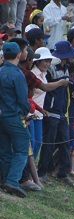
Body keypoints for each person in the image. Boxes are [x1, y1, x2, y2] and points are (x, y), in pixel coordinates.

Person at [37, 40, 74, 187]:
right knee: (49, 142)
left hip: (63, 111)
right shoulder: (51, 70)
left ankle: (63, 172)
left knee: (65, 142)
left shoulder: (67, 68)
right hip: (51, 110)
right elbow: (46, 87)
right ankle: (42, 172)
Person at [0, 42, 30, 198]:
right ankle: (12, 181)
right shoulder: (18, 75)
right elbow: (23, 100)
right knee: (21, 149)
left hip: (1, 116)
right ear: (19, 55)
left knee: (4, 150)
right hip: (14, 116)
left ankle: (4, 179)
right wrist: (26, 112)